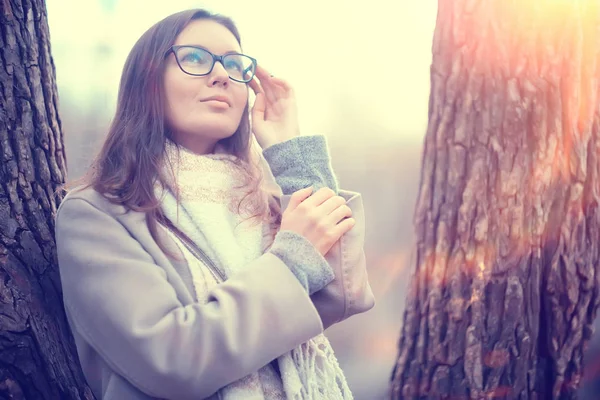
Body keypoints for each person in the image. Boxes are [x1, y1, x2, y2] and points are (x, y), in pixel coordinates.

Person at [55, 8, 374, 400]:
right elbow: (171, 360)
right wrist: (293, 258)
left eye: (235, 65)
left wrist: (290, 151)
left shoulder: (262, 200)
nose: (222, 74)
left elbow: (341, 290)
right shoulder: (97, 215)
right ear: (148, 81)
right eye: (194, 58)